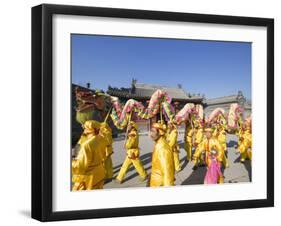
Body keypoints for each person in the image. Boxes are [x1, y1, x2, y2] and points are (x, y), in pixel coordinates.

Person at [72, 120, 107, 190]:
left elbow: (80, 166)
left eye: (85, 128)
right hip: (99, 173)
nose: (83, 129)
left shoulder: (87, 145)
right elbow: (104, 154)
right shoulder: (101, 138)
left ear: (89, 129)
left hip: (88, 178)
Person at [150, 122, 175, 187]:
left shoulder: (163, 148)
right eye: (151, 131)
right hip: (155, 182)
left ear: (160, 132)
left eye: (153, 131)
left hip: (160, 184)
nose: (150, 134)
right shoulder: (158, 143)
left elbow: (167, 170)